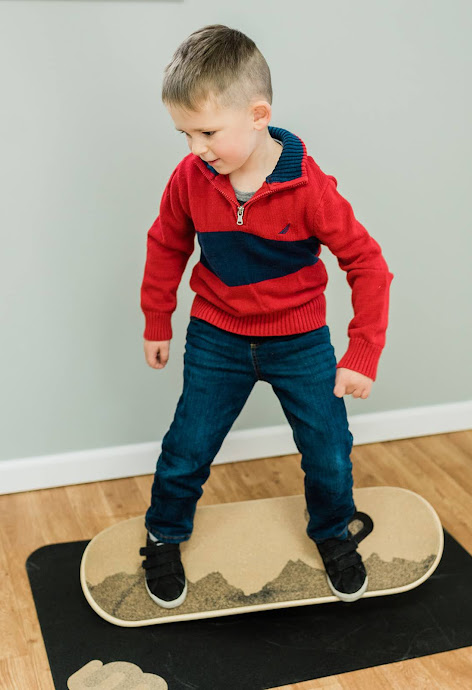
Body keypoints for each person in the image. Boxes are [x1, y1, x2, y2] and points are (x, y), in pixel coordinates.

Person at [139, 24, 394, 609]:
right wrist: (157, 319)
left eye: (206, 132)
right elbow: (166, 244)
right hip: (217, 337)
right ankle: (163, 535)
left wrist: (362, 352)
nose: (195, 148)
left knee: (328, 449)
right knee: (187, 447)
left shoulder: (310, 189)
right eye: (184, 134)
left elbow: (368, 264)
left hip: (299, 341)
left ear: (257, 116)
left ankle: (333, 532)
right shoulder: (190, 178)